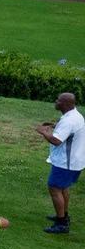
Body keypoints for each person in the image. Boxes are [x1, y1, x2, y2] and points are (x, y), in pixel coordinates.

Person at [38, 92, 84, 235]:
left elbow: (56, 141)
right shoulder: (76, 116)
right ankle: (63, 214)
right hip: (74, 161)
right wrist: (55, 125)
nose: (56, 101)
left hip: (65, 163)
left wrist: (43, 132)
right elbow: (69, 131)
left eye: (58, 100)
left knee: (55, 188)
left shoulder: (69, 121)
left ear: (65, 104)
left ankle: (61, 223)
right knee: (63, 188)